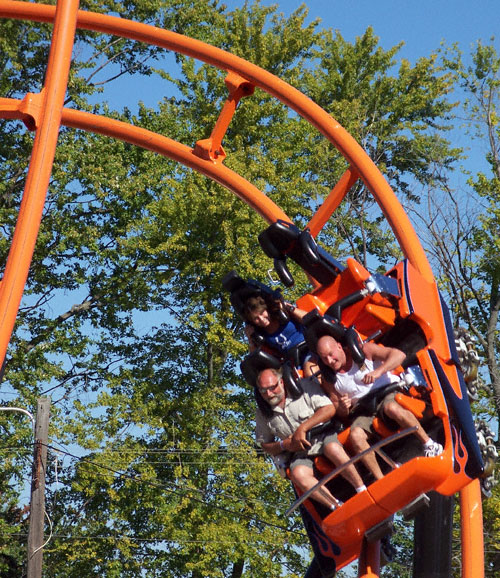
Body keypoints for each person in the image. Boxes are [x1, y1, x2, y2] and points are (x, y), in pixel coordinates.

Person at [316, 335, 443, 481]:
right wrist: (344, 407)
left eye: (331, 355)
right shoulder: (329, 379)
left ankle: (429, 444)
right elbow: (338, 408)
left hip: (385, 394)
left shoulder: (364, 351)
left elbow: (399, 355)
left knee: (391, 408)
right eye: (325, 359)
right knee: (355, 435)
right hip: (364, 409)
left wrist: (379, 371)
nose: (330, 361)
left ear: (339, 346)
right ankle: (381, 479)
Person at [255, 367, 367, 511]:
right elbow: (265, 444)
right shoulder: (262, 412)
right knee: (298, 474)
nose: (269, 394)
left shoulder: (304, 386)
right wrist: (284, 445)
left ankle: (361, 489)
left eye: (272, 388)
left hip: (323, 435)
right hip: (300, 451)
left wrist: (303, 428)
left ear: (281, 382)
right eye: (263, 391)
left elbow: (329, 409)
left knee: (332, 448)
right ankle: (337, 507)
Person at [243, 295, 318, 377]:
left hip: (310, 348)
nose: (261, 319)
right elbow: (256, 359)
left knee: (310, 372)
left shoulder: (282, 314)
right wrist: (250, 339)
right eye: (256, 318)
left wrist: (289, 308)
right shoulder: (262, 336)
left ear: (266, 309)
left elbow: (310, 318)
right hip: (294, 361)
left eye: (262, 313)